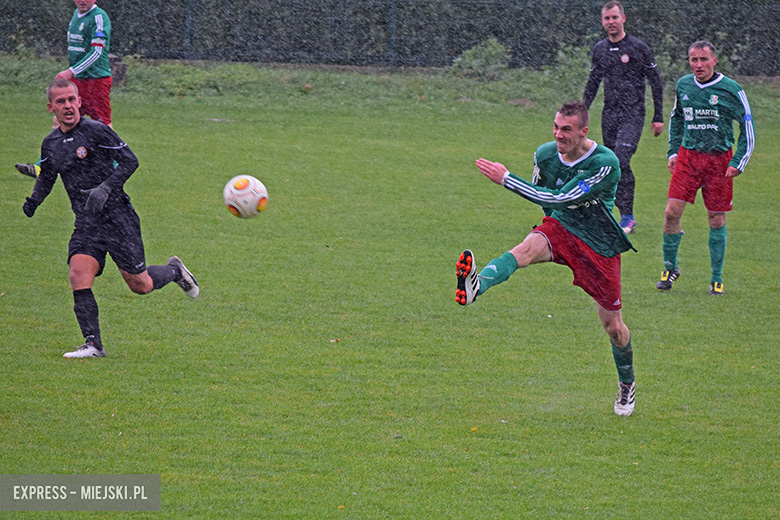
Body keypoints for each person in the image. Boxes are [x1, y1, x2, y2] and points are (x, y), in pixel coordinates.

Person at [457, 100, 637, 416]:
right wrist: (549, 229)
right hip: (563, 226)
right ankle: (476, 285)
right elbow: (544, 199)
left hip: (599, 243)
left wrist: (505, 178)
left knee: (613, 327)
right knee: (525, 249)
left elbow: (559, 197)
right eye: (555, 127)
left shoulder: (605, 163)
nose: (558, 135)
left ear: (584, 131)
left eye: (566, 129)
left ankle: (626, 384)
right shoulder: (544, 155)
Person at [22, 78, 199, 358]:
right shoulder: (51, 143)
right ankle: (93, 344)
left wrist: (105, 188)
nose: (67, 106)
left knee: (140, 285)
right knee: (78, 274)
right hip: (87, 222)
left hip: (118, 217)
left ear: (79, 102)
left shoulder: (96, 131)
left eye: (71, 99)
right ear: (50, 107)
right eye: (61, 101)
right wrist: (33, 201)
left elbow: (131, 160)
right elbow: (47, 176)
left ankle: (175, 271)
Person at [657, 41, 755, 296]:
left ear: (714, 61)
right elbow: (677, 118)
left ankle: (716, 279)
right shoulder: (684, 85)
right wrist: (673, 151)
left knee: (716, 218)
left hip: (719, 162)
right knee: (671, 213)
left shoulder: (731, 90)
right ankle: (669, 269)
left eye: (703, 59)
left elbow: (747, 127)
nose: (698, 64)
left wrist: (738, 161)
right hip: (689, 158)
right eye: (693, 59)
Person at [583, 0, 664, 234]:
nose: (611, 22)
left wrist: (658, 116)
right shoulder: (600, 49)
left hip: (634, 113)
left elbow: (655, 82)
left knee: (620, 159)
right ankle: (610, 212)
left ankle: (627, 216)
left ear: (623, 19)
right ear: (602, 22)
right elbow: (592, 84)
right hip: (610, 114)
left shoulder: (638, 47)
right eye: (607, 18)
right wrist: (581, 114)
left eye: (614, 17)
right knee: (610, 164)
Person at [15, 0, 114, 179]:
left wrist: (71, 71)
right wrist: (73, 74)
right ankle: (40, 168)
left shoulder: (99, 17)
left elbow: (97, 53)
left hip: (96, 81)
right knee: (60, 121)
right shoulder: (76, 15)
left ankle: (116, 165)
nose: (82, 0)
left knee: (102, 125)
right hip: (78, 80)